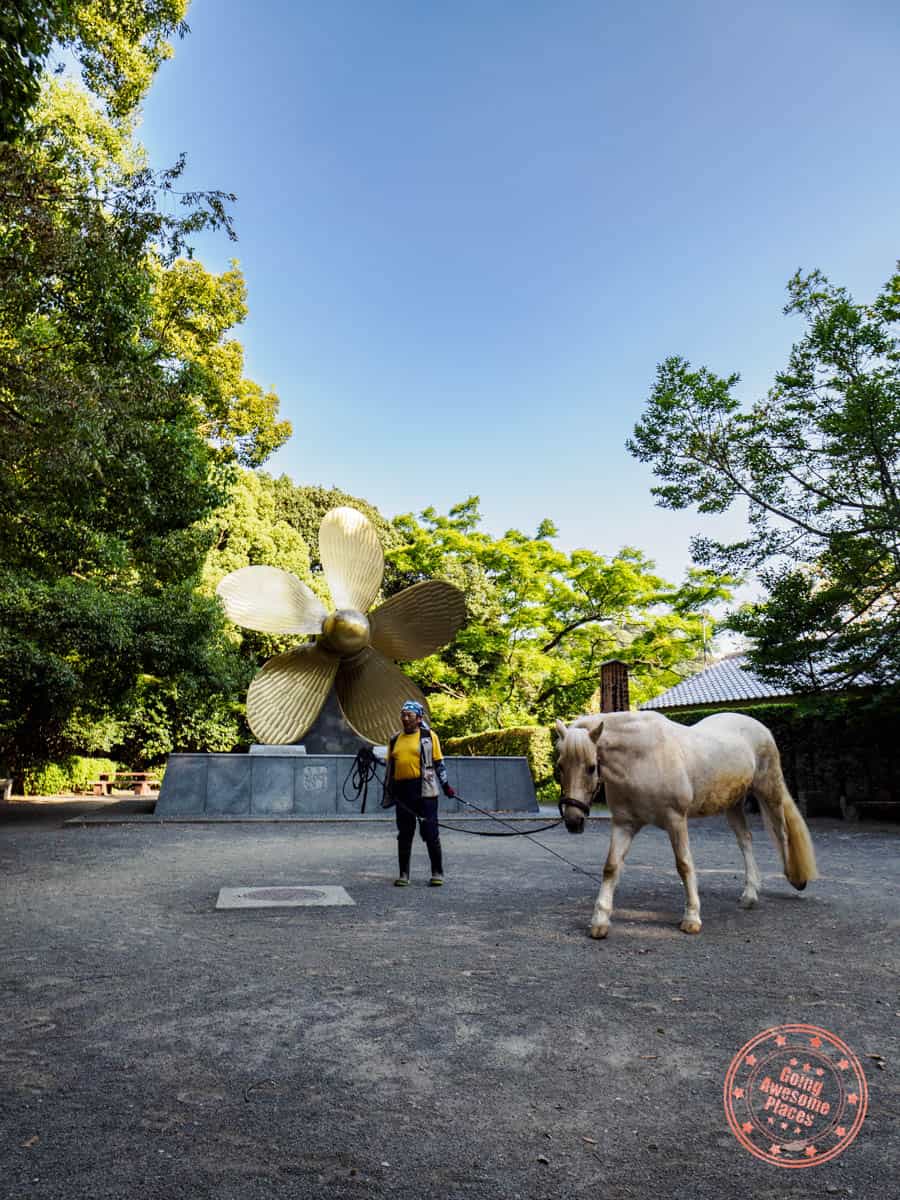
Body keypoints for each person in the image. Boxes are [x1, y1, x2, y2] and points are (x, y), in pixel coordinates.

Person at [383, 700, 455, 887]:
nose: (405, 718)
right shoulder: (394, 739)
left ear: (419, 718)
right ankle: (404, 874)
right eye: (403, 714)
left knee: (430, 833)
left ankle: (437, 872)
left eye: (409, 715)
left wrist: (446, 785)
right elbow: (391, 765)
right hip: (402, 791)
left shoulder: (429, 737)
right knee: (405, 834)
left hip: (425, 790)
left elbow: (438, 762)